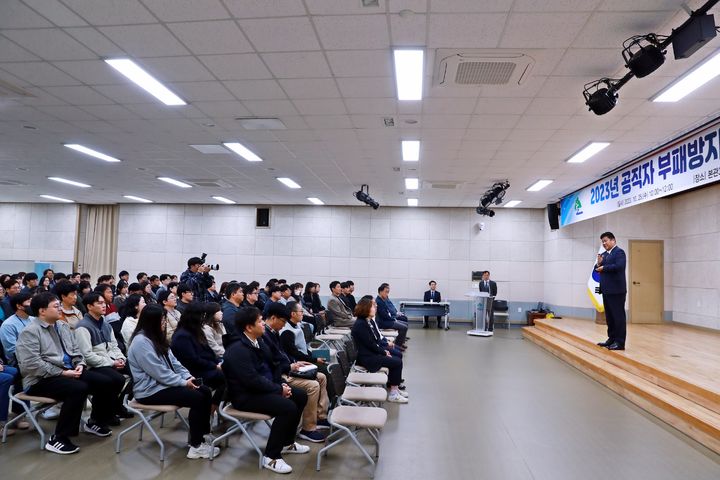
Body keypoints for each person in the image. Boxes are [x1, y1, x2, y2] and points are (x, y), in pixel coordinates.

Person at [16, 292, 119, 454]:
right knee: (78, 388)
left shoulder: (62, 326)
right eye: (56, 306)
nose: (60, 309)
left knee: (106, 381)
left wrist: (80, 364)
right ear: (42, 311)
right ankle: (59, 438)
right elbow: (31, 365)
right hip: (39, 380)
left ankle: (95, 421)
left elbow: (76, 350)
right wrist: (63, 373)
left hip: (67, 370)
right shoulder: (30, 331)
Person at [222, 306, 309, 474]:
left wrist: (281, 385)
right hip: (244, 397)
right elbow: (251, 381)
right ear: (248, 327)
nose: (264, 324)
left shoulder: (258, 341)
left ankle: (287, 443)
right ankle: (271, 456)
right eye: (260, 321)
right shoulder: (237, 350)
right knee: (287, 407)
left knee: (300, 395)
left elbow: (272, 366)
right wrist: (278, 390)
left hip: (261, 389)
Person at [127, 304, 219, 459]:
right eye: (162, 320)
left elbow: (175, 363)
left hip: (162, 386)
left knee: (204, 390)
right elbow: (158, 372)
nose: (164, 323)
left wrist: (188, 377)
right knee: (196, 397)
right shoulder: (141, 342)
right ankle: (196, 446)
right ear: (151, 321)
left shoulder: (156, 338)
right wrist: (183, 383)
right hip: (149, 391)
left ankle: (202, 434)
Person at [263, 303, 329, 443]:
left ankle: (320, 416)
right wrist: (290, 366)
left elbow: (284, 354)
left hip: (288, 367)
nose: (283, 325)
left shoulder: (273, 332)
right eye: (283, 321)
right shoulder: (266, 335)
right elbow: (272, 363)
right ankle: (308, 428)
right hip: (282, 374)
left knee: (321, 377)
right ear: (274, 318)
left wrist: (294, 363)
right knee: (313, 386)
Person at [75, 292, 131, 424]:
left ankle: (116, 405)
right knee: (117, 379)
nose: (104, 305)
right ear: (89, 306)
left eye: (103, 302)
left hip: (109, 360)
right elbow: (87, 355)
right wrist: (112, 363)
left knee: (136, 370)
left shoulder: (105, 324)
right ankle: (101, 415)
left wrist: (121, 358)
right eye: (99, 303)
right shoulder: (83, 327)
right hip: (94, 365)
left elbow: (114, 346)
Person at [171, 302, 225, 411]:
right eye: (202, 316)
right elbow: (193, 360)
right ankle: (213, 406)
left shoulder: (195, 330)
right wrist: (214, 366)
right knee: (228, 377)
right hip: (194, 372)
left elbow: (207, 351)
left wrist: (217, 363)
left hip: (205, 366)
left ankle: (216, 405)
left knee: (233, 372)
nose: (204, 319)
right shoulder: (182, 335)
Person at [352, 298, 407, 404]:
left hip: (370, 354)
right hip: (367, 358)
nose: (375, 308)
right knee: (397, 362)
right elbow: (371, 344)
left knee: (396, 358)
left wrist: (383, 350)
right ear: (366, 309)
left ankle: (394, 388)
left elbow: (373, 342)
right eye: (372, 306)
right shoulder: (361, 324)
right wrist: (383, 352)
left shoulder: (365, 321)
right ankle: (393, 394)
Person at [595, 232, 627, 351]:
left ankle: (620, 342)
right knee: (610, 317)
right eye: (602, 241)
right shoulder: (604, 255)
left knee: (618, 317)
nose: (604, 243)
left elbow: (619, 266)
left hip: (617, 291)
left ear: (613, 240)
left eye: (606, 240)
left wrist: (604, 267)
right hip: (607, 290)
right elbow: (596, 268)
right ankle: (611, 339)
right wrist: (599, 263)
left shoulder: (619, 252)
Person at [0, 293, 34, 364]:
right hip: (21, 362)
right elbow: (12, 350)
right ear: (19, 306)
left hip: (39, 356)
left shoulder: (34, 319)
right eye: (29, 301)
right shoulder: (8, 325)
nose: (32, 304)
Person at [375, 283, 408, 348]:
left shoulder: (383, 300)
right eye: (386, 292)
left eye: (388, 292)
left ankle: (400, 343)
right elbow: (385, 315)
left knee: (405, 324)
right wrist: (394, 319)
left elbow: (388, 312)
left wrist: (393, 318)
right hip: (384, 322)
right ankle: (397, 346)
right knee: (404, 327)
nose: (387, 294)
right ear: (381, 292)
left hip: (388, 320)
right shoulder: (379, 301)